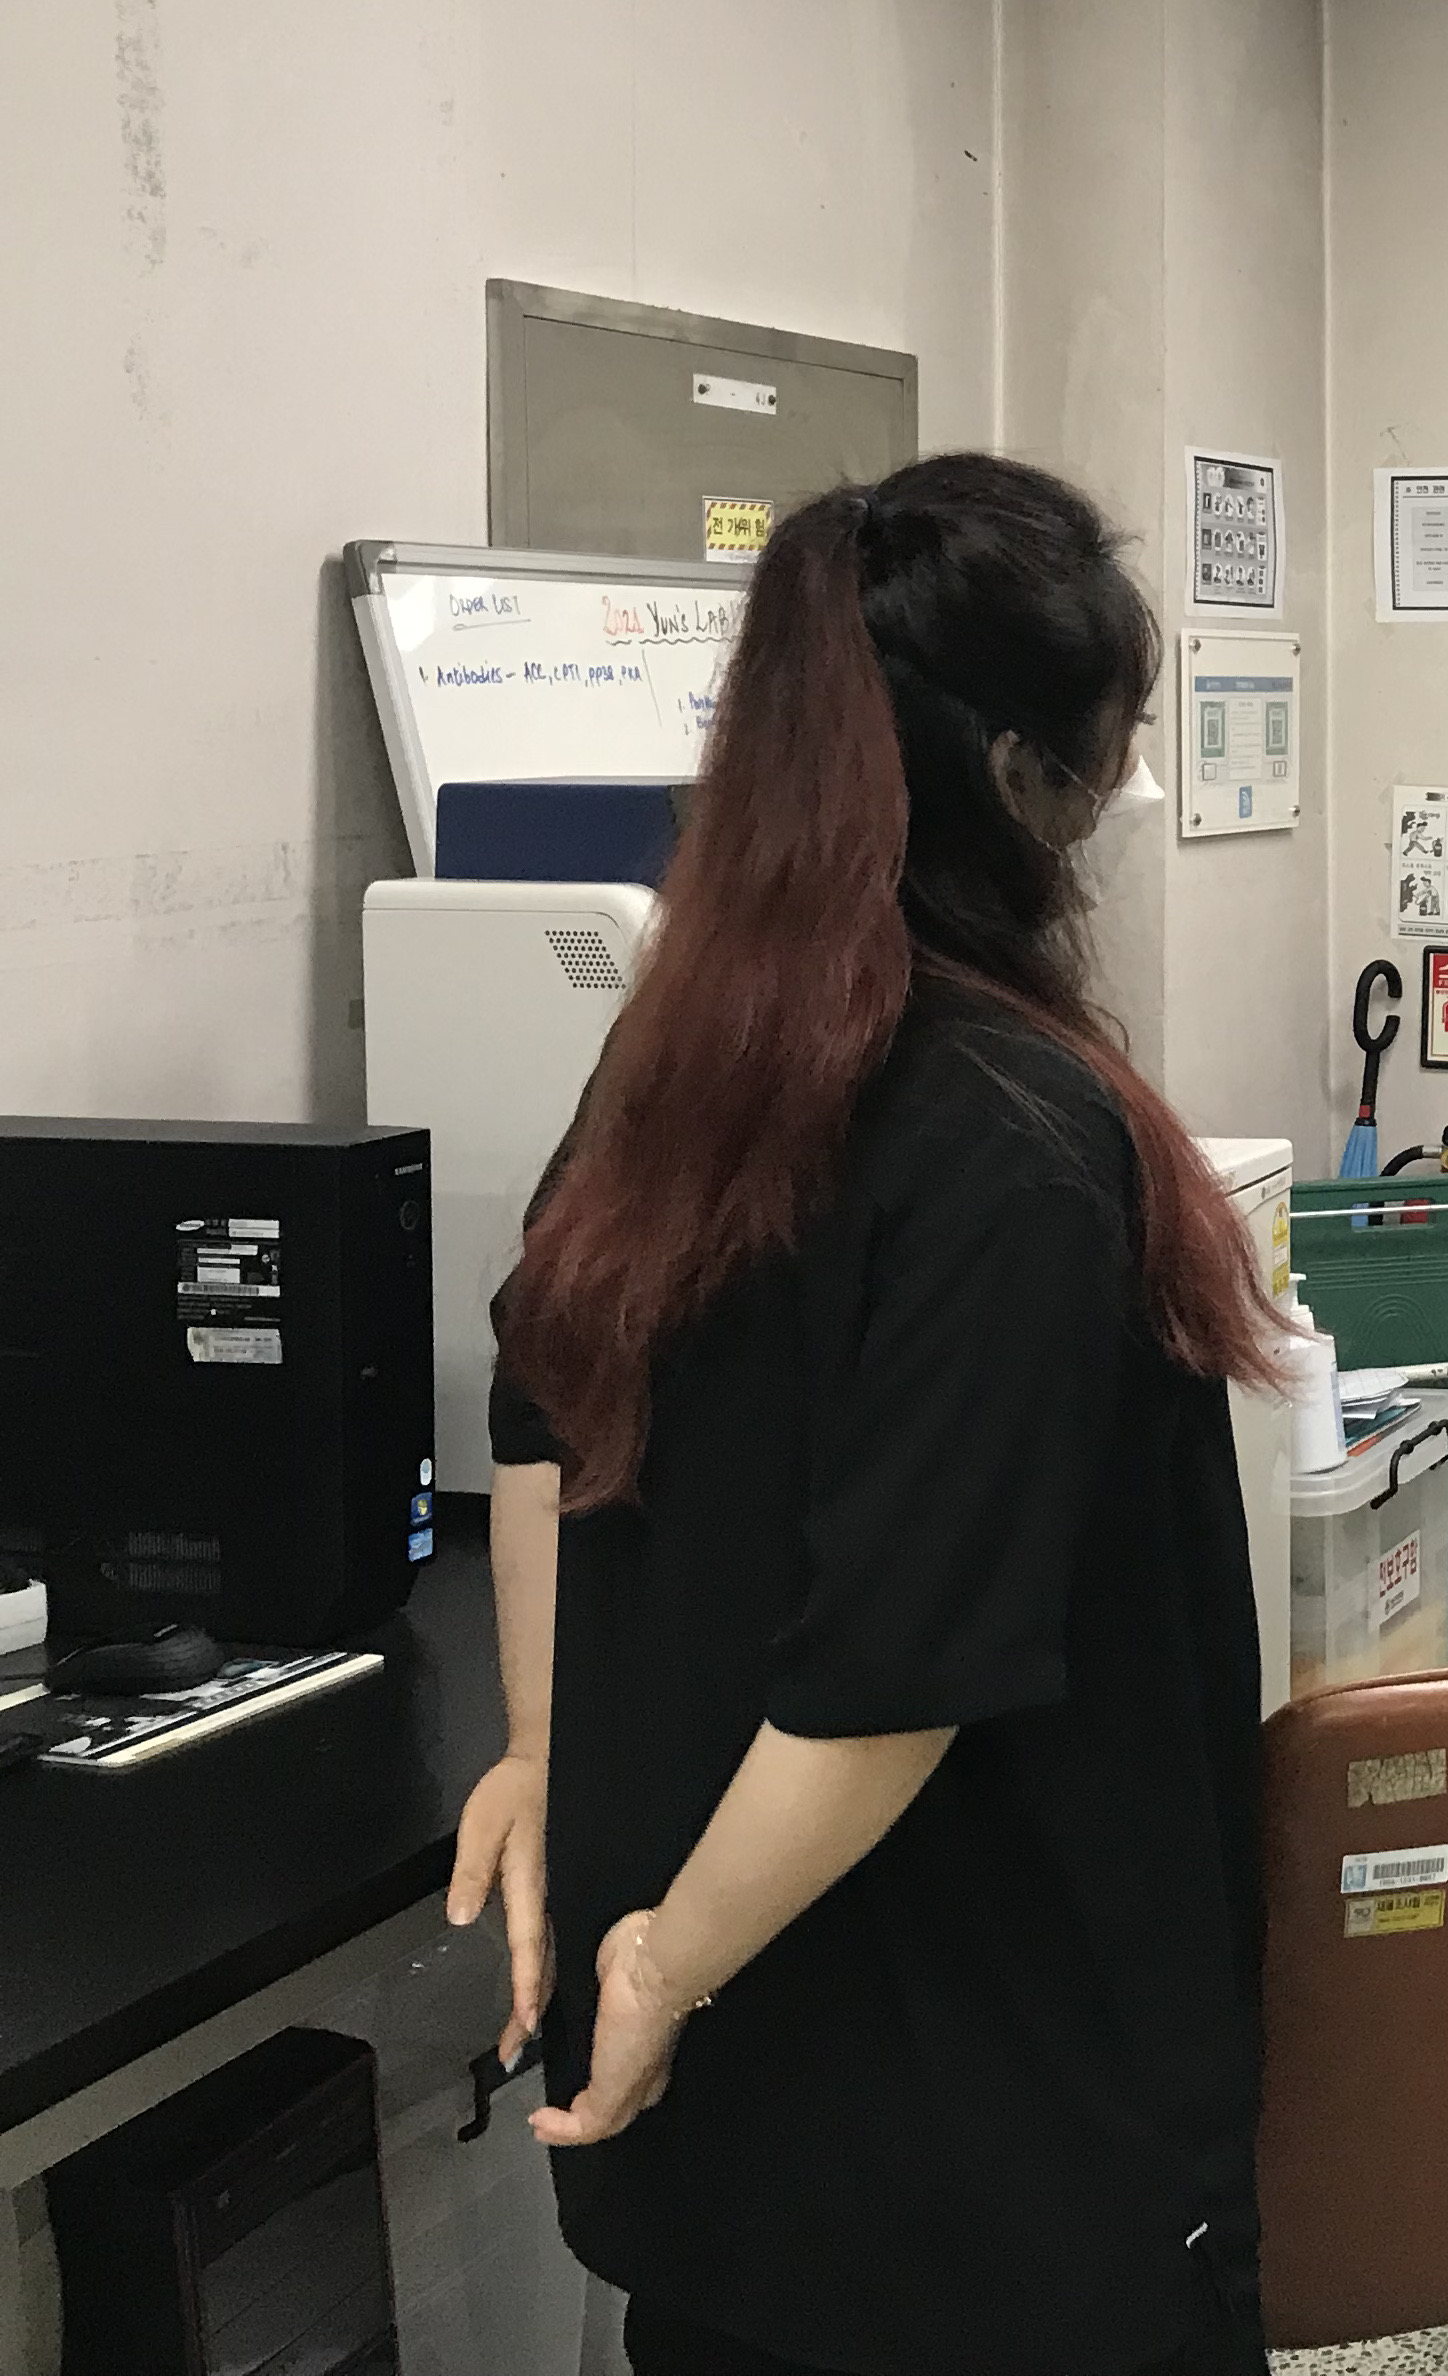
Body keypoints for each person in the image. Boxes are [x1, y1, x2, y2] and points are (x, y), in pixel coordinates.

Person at [448, 455, 1279, 2376]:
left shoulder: (674, 1063)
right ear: (1026, 774)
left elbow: (535, 1426)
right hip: (978, 2109)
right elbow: (891, 1673)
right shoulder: (1014, 1139)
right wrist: (659, 1960)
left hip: (740, 2088)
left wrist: (559, 1762)